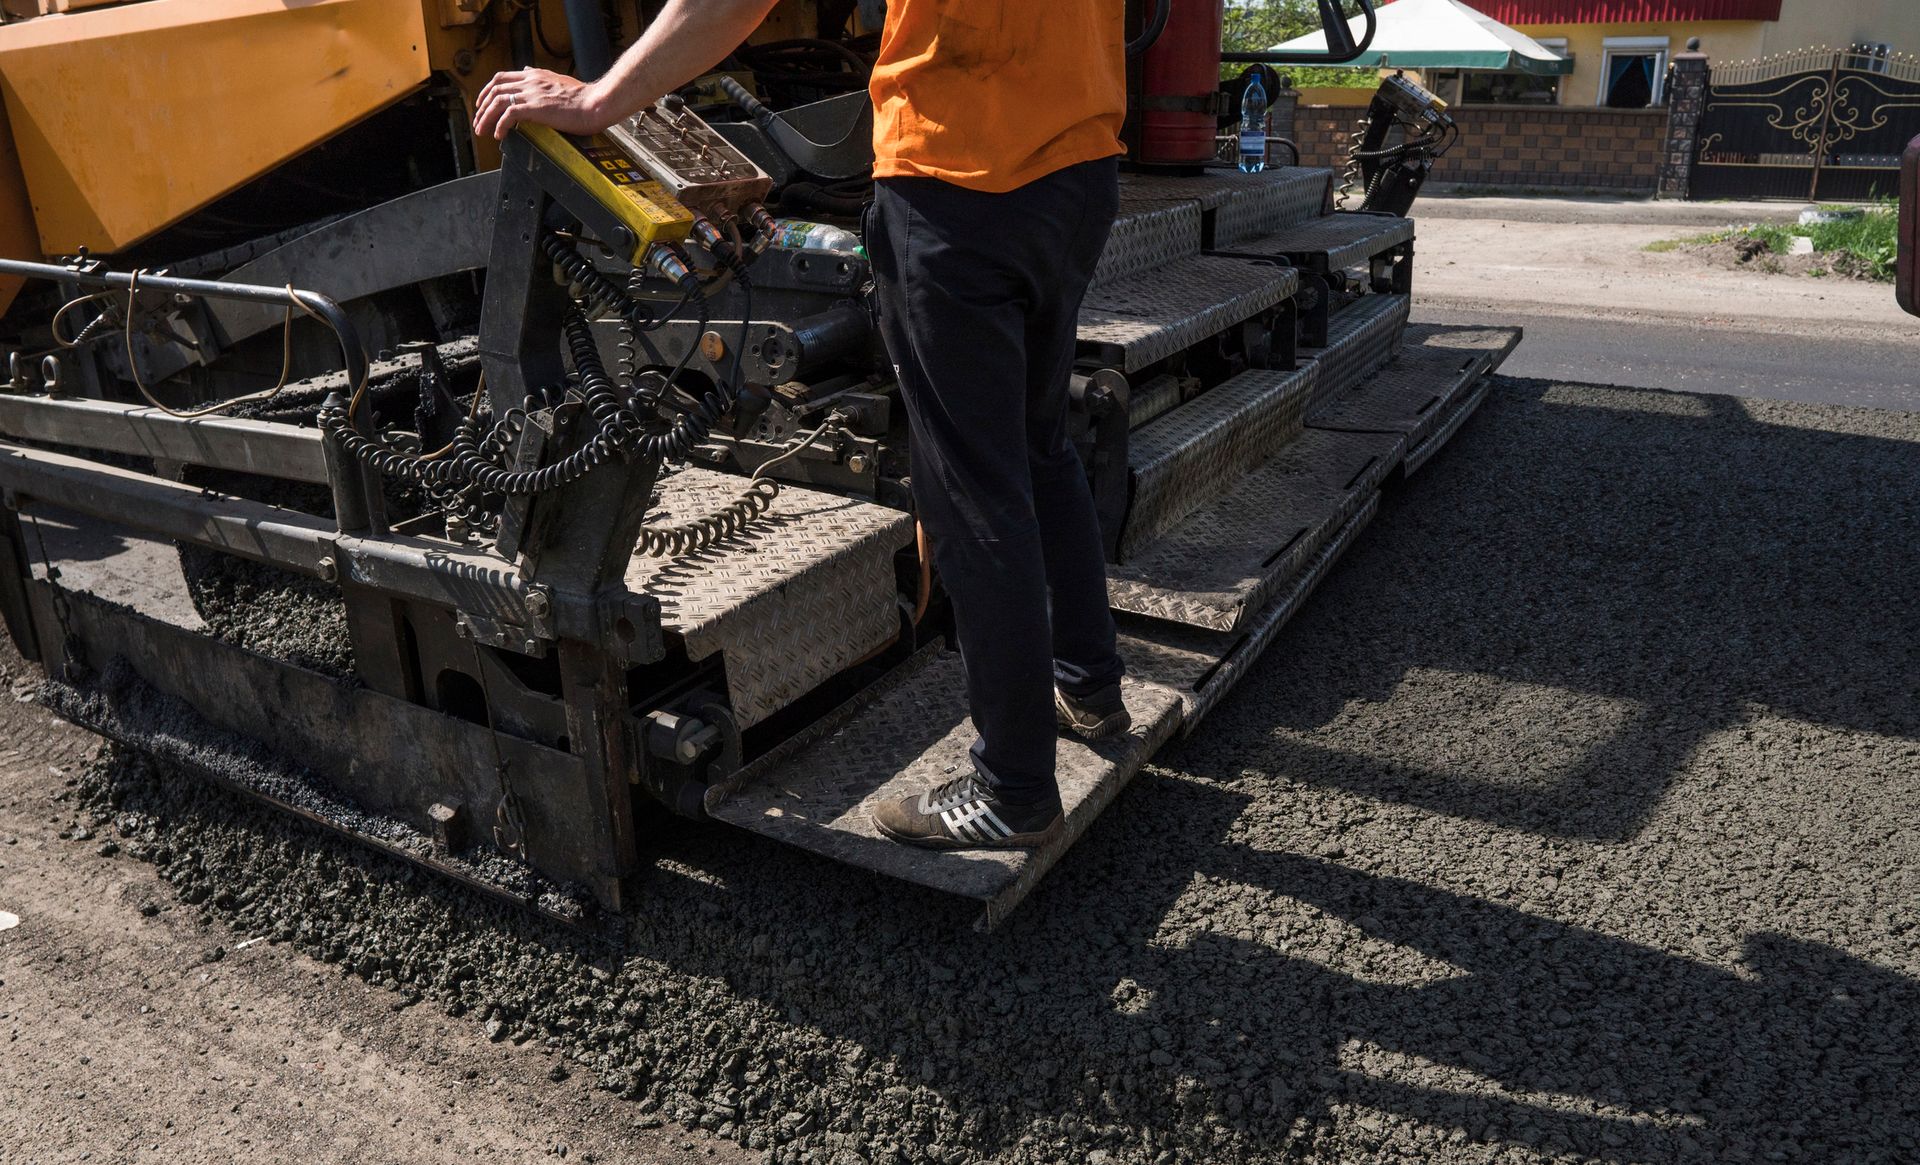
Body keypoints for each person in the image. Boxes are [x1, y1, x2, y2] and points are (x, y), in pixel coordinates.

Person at [475, 0, 1131, 852]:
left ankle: (1013, 786)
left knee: (972, 487)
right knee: (1039, 444)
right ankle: (1089, 684)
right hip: (1076, 166)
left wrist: (603, 99)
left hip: (961, 178)